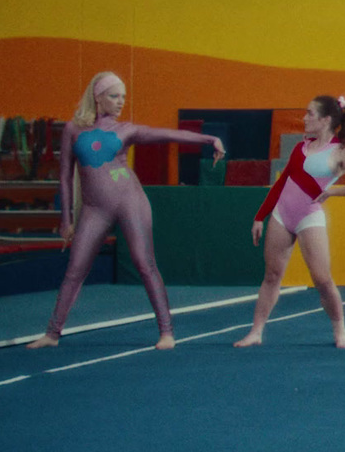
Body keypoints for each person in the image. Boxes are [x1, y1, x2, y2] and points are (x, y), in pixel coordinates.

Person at [28, 72, 225, 350]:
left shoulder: (126, 130)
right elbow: (64, 176)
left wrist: (208, 139)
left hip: (130, 201)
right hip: (95, 209)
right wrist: (66, 220)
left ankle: (166, 332)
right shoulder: (73, 129)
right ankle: (52, 334)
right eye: (114, 96)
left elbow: (167, 134)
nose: (121, 102)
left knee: (145, 264)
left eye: (123, 97)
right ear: (98, 97)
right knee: (75, 269)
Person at [235, 96, 345, 348]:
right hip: (281, 215)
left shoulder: (342, 151)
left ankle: (340, 331)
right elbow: (281, 182)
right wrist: (259, 216)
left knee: (322, 279)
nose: (304, 118)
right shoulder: (301, 147)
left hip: (309, 216)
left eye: (309, 114)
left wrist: (332, 192)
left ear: (326, 120)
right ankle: (256, 331)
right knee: (272, 275)